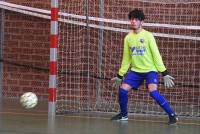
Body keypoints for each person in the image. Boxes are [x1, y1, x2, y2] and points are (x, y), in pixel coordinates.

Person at [111, 9, 178, 125]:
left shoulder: (148, 36)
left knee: (153, 92)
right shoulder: (128, 38)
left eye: (136, 19)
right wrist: (120, 75)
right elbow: (126, 59)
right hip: (135, 71)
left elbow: (156, 55)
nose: (133, 21)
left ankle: (172, 115)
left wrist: (164, 72)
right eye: (131, 19)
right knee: (122, 90)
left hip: (150, 70)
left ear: (142, 22)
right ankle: (124, 114)